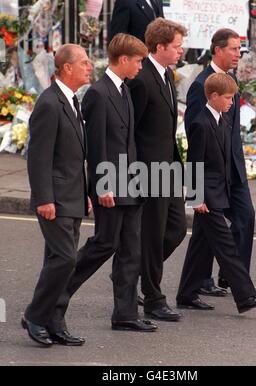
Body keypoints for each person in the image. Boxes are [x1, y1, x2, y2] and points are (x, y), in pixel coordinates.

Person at [48, 33, 157, 333]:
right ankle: (52, 301)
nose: (140, 67)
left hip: (130, 185)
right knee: (103, 245)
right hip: (110, 186)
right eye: (138, 61)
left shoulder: (125, 89)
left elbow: (129, 142)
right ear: (123, 60)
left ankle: (125, 314)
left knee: (131, 251)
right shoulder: (98, 93)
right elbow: (96, 146)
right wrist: (102, 186)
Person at [177, 73, 256, 314]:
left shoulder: (223, 120)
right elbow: (194, 163)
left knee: (200, 246)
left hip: (220, 192)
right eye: (228, 98)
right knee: (226, 246)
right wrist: (196, 198)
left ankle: (186, 294)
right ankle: (245, 296)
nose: (231, 103)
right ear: (214, 96)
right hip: (207, 197)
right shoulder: (200, 123)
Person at [22, 44, 93, 346]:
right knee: (64, 259)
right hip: (55, 198)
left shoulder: (72, 101)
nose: (90, 67)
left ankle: (54, 320)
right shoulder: (49, 103)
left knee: (59, 260)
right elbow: (38, 157)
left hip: (73, 195)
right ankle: (35, 316)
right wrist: (43, 199)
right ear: (67, 68)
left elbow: (76, 156)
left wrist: (86, 192)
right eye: (85, 63)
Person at [181, 28, 256, 298]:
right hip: (213, 174)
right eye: (234, 49)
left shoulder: (230, 79)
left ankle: (223, 277)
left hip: (234, 168)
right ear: (218, 50)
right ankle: (217, 282)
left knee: (245, 217)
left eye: (240, 49)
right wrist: (195, 190)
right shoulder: (203, 85)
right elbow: (196, 135)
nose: (239, 54)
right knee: (207, 230)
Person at [127, 18, 192, 322]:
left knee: (176, 230)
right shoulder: (141, 79)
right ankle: (153, 298)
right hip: (148, 171)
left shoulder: (167, 75)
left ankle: (133, 270)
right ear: (161, 46)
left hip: (169, 168)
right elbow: (131, 130)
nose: (181, 51)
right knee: (152, 236)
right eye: (177, 46)